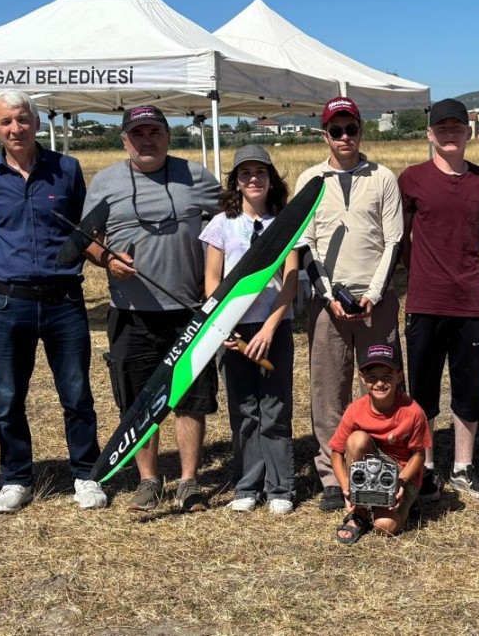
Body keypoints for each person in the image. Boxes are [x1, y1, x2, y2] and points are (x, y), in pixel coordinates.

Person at [0, 90, 104, 514]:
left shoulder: (66, 169)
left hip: (64, 299)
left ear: (36, 123)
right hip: (9, 303)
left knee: (77, 392)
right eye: (6, 122)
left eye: (23, 120)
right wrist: (8, 271)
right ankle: (15, 478)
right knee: (8, 397)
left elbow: (82, 232)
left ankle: (86, 473)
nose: (15, 129)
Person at [84, 104, 221, 513]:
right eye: (138, 133)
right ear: (125, 140)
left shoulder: (197, 177)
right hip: (130, 312)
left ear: (168, 135)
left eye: (155, 132)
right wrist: (106, 260)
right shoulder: (106, 181)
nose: (147, 140)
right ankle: (148, 481)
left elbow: (231, 220)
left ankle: (189, 481)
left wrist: (215, 274)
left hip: (190, 310)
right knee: (139, 400)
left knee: (190, 397)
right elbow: (87, 238)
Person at [294, 96, 404, 512]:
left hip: (376, 298)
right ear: (325, 135)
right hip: (329, 302)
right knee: (328, 388)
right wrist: (327, 295)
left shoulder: (382, 178)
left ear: (361, 131)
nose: (344, 137)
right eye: (335, 130)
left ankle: (382, 465)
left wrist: (372, 295)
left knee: (383, 384)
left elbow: (393, 241)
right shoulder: (310, 179)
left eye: (351, 129)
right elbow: (306, 244)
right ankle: (331, 472)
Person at [398, 98, 479, 502]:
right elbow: (400, 238)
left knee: (469, 388)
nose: (450, 133)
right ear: (429, 134)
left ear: (469, 132)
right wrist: (421, 270)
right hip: (424, 298)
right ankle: (427, 468)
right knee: (423, 389)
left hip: (469, 300)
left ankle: (463, 467)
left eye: (457, 127)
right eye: (442, 128)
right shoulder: (411, 179)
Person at [201, 145, 299, 515]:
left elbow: (290, 282)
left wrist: (271, 328)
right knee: (244, 408)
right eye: (245, 173)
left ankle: (280, 487)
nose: (253, 179)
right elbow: (212, 281)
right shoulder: (221, 224)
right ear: (236, 182)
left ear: (271, 179)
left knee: (274, 407)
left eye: (260, 172)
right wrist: (221, 324)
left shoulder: (286, 222)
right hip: (234, 328)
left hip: (274, 326)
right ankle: (247, 484)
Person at [328, 344, 432, 543]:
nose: (379, 383)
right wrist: (345, 487)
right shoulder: (355, 409)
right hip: (368, 467)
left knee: (384, 527)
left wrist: (400, 482)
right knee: (357, 440)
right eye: (372, 377)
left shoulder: (413, 411)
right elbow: (336, 453)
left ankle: (402, 504)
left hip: (401, 473)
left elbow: (419, 455)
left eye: (387, 376)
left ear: (399, 377)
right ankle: (359, 511)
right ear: (362, 378)